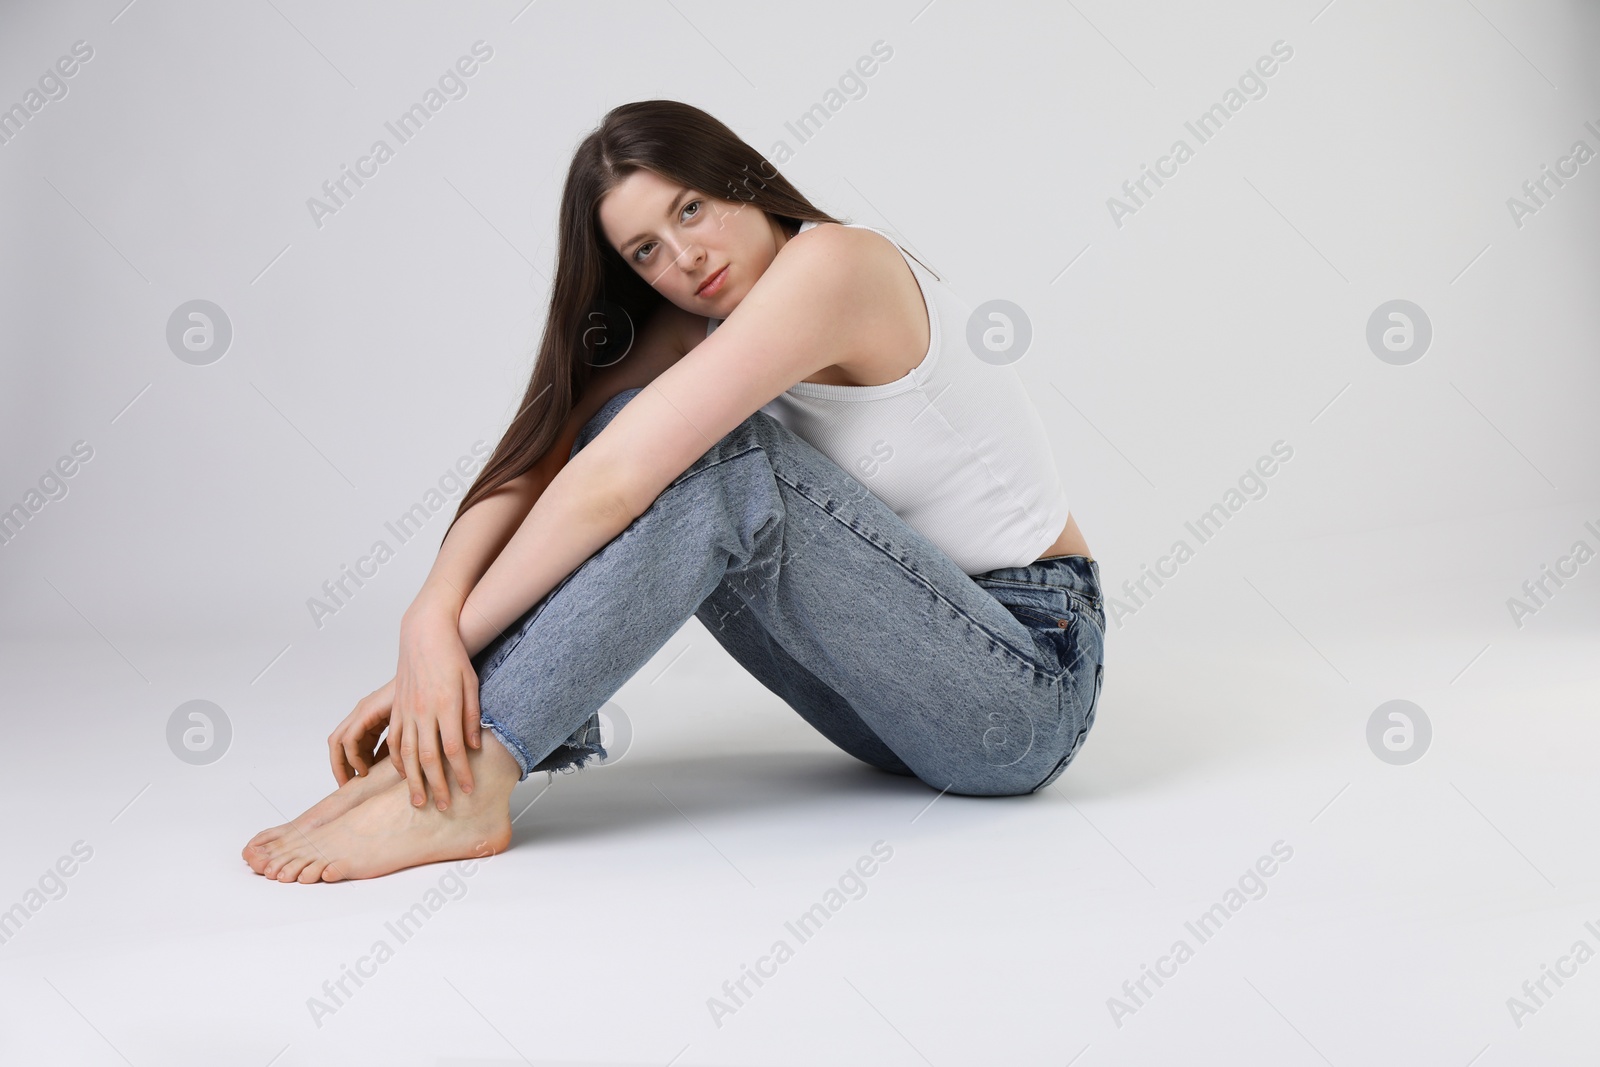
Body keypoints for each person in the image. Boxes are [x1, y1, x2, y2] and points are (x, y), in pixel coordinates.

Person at [242, 99, 1105, 884]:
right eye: (646, 251)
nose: (685, 258)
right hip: (892, 710)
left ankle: (466, 776)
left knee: (725, 469)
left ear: (744, 181)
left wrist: (448, 653)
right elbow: (545, 458)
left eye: (691, 208)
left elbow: (616, 486)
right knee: (620, 420)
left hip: (1025, 683)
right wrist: (426, 619)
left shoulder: (841, 263)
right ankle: (448, 762)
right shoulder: (694, 325)